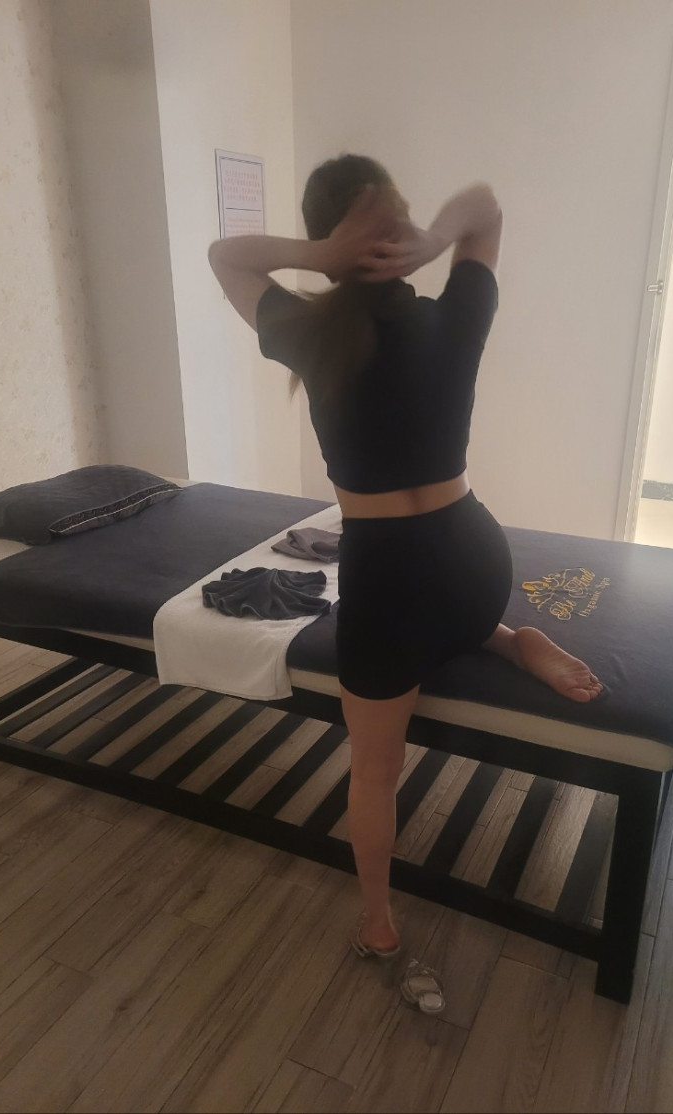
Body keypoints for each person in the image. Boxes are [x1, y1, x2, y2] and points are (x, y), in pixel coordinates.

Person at [208, 154, 602, 988]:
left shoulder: (307, 331)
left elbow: (225, 257)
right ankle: (508, 638)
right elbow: (485, 205)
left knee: (375, 769)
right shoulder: (451, 315)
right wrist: (433, 240)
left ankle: (378, 924)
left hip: (393, 581)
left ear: (331, 241)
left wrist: (318, 256)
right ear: (400, 226)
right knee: (447, 624)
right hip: (476, 566)